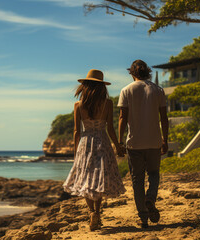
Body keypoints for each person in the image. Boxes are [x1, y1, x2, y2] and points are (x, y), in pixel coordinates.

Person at [63, 69, 126, 231]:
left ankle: (91, 212)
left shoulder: (78, 105)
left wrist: (77, 151)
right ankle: (97, 213)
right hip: (102, 142)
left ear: (85, 86)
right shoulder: (107, 103)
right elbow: (111, 128)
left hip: (85, 143)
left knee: (86, 179)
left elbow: (77, 131)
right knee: (99, 179)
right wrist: (118, 146)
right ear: (101, 87)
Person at [118, 60, 169, 228]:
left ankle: (143, 217)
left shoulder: (126, 90)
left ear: (132, 73)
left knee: (137, 180)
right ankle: (150, 198)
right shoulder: (158, 90)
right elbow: (164, 118)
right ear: (147, 72)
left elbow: (122, 118)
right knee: (154, 174)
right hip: (154, 141)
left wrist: (119, 142)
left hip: (134, 143)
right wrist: (165, 140)